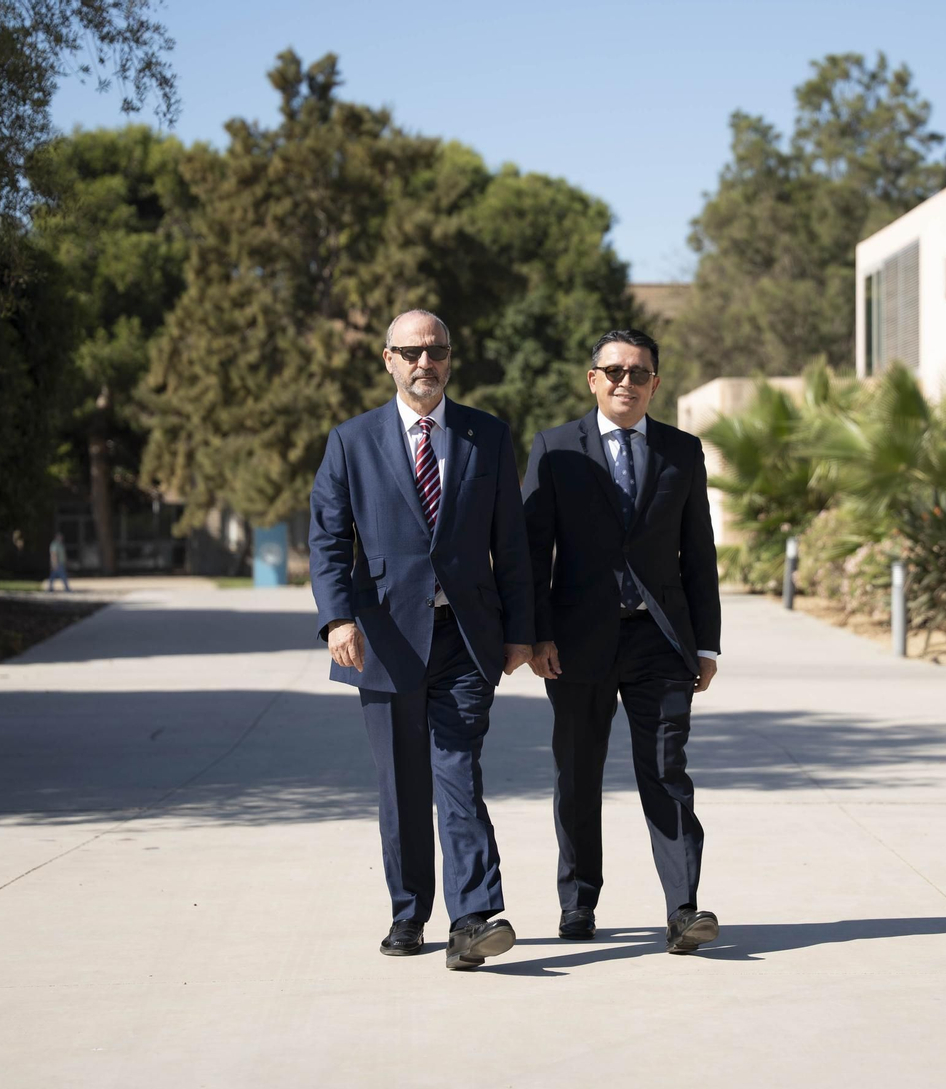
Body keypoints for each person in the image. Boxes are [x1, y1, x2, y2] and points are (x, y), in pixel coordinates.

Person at [309, 309, 533, 969]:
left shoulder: (487, 436)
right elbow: (327, 537)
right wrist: (337, 618)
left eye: (435, 350)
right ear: (389, 360)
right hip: (384, 638)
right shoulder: (351, 441)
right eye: (411, 352)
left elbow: (511, 543)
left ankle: (473, 919)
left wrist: (521, 631)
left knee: (458, 770)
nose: (424, 362)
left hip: (465, 635)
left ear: (449, 357)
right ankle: (409, 913)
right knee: (402, 783)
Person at [522, 328, 723, 954]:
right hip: (576, 644)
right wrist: (535, 635)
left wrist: (707, 644)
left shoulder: (682, 451)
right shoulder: (555, 449)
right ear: (593, 379)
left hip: (659, 640)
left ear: (655, 383)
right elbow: (533, 553)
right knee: (578, 775)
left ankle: (683, 909)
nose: (625, 382)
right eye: (614, 371)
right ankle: (578, 902)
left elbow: (699, 552)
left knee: (666, 772)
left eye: (638, 373)